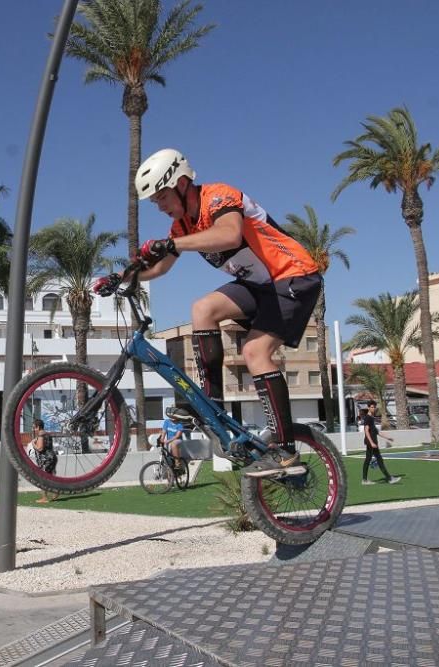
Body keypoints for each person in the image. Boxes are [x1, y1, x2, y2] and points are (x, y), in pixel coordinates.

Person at [93, 148, 322, 478]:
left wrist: (173, 244)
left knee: (254, 351)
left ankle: (285, 451)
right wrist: (121, 277)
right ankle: (210, 402)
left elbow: (229, 234)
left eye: (161, 196)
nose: (159, 206)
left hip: (293, 275)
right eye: (155, 201)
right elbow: (159, 268)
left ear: (182, 183)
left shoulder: (218, 197)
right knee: (203, 309)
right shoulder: (181, 225)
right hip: (260, 285)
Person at [361, 400, 400, 485]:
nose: (373, 408)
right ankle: (389, 478)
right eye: (372, 407)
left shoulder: (371, 418)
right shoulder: (368, 418)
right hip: (371, 443)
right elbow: (366, 431)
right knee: (378, 460)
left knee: (369, 460)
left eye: (374, 407)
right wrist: (371, 442)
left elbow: (376, 432)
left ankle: (364, 480)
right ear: (368, 407)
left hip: (373, 443)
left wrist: (388, 438)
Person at [31, 419, 59, 503]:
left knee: (42, 478)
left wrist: (33, 444)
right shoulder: (47, 434)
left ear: (38, 427)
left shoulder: (41, 435)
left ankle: (44, 498)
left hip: (46, 459)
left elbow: (40, 448)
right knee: (50, 477)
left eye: (34, 427)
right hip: (52, 457)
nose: (33, 429)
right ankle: (56, 491)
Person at [161, 407, 187, 472]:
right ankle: (171, 477)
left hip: (178, 440)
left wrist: (168, 441)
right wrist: (162, 439)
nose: (171, 419)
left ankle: (177, 463)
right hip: (169, 440)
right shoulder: (167, 422)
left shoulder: (180, 424)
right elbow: (164, 431)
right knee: (167, 456)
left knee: (173, 444)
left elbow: (177, 436)